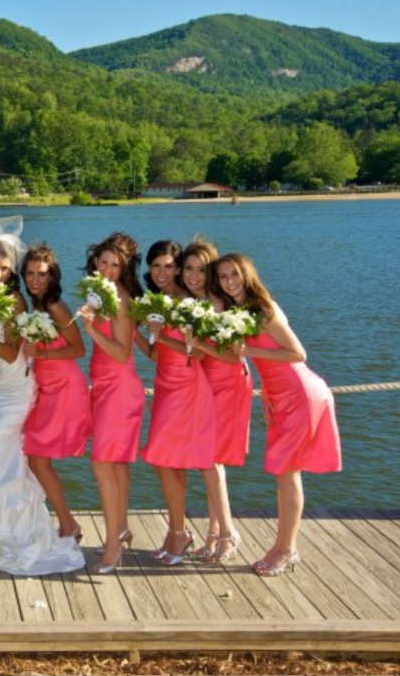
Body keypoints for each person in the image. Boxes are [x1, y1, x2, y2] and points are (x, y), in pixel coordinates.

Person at [0, 219, 84, 576]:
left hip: (14, 391)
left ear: (12, 270)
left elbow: (13, 353)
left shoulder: (13, 302)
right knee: (4, 462)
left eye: (4, 268)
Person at [216, 253, 341, 577]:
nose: (229, 281)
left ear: (247, 276)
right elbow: (262, 366)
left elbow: (298, 353)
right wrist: (267, 397)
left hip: (300, 393)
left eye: (234, 274)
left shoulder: (264, 309)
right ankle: (285, 547)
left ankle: (286, 550)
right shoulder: (239, 311)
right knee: (284, 473)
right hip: (279, 396)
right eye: (223, 276)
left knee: (288, 474)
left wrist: (250, 350)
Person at [137, 240, 216, 566]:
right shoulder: (158, 301)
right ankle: (176, 532)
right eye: (156, 266)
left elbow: (197, 352)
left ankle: (179, 532)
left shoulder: (187, 303)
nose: (161, 272)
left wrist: (162, 332)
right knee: (167, 461)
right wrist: (135, 332)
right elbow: (157, 354)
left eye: (169, 266)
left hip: (186, 385)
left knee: (161, 458)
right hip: (164, 382)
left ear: (178, 268)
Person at [181, 238, 252, 564]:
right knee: (209, 459)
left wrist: (197, 344)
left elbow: (226, 352)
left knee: (210, 459)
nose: (193, 276)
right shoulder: (193, 301)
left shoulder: (216, 302)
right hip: (207, 381)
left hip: (225, 381)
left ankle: (227, 532)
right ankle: (213, 532)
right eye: (188, 269)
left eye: (201, 270)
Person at [77, 232, 144, 574]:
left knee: (103, 464)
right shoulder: (100, 295)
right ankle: (121, 528)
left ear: (124, 269)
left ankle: (114, 544)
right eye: (103, 262)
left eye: (115, 265)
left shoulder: (120, 299)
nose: (107, 269)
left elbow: (121, 353)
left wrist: (91, 330)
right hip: (102, 386)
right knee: (116, 465)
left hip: (119, 388)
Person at [20, 244, 91, 546]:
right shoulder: (35, 306)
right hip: (45, 387)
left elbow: (79, 349)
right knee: (34, 456)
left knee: (37, 458)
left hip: (63, 387)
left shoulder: (56, 306)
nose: (35, 280)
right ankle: (63, 521)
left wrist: (42, 351)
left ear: (52, 277)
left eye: (42, 274)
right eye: (30, 273)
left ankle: (67, 524)